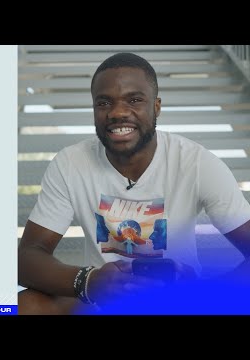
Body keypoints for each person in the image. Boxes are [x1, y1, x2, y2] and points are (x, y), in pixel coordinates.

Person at [18, 52, 250, 315]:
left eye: (135, 100)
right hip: (102, 301)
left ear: (157, 106)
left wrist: (198, 288)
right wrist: (87, 281)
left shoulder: (197, 163)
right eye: (104, 102)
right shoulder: (70, 163)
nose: (117, 112)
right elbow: (27, 258)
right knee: (27, 304)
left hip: (180, 302)